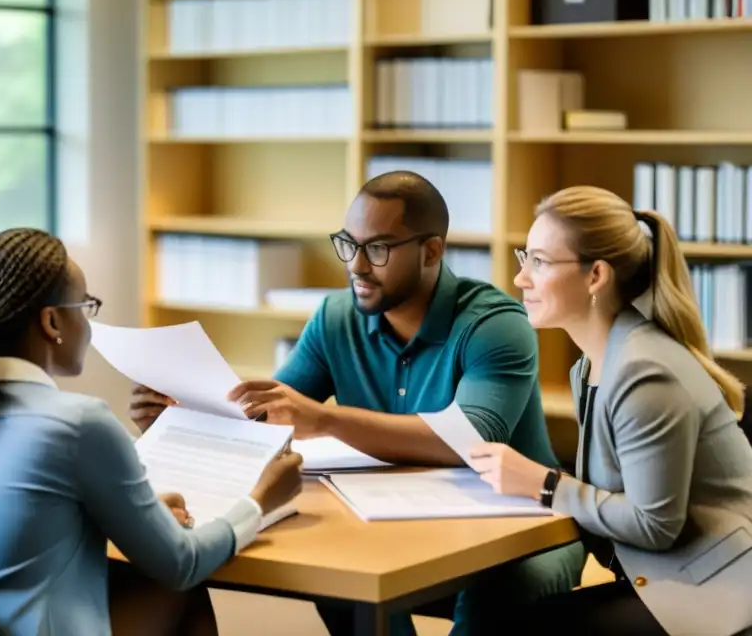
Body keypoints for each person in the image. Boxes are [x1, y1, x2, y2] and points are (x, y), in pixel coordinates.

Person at [130, 171, 586, 636]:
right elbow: (268, 416)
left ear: (431, 251)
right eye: (348, 244)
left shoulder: (495, 323)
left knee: (497, 591)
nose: (356, 266)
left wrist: (324, 418)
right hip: (384, 519)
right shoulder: (336, 317)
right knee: (334, 570)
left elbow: (472, 439)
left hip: (522, 530)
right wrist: (181, 417)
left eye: (378, 249)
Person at [0, 227, 304, 636]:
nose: (89, 323)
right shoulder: (77, 423)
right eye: (85, 307)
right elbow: (181, 563)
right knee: (182, 589)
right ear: (52, 323)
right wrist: (260, 499)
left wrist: (136, 514)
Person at [469, 186, 752, 636]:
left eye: (539, 262)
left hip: (717, 589)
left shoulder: (644, 371)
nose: (521, 278)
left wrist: (544, 484)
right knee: (499, 609)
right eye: (527, 257)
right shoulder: (593, 363)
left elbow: (655, 524)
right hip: (669, 576)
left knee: (513, 625)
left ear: (595, 275)